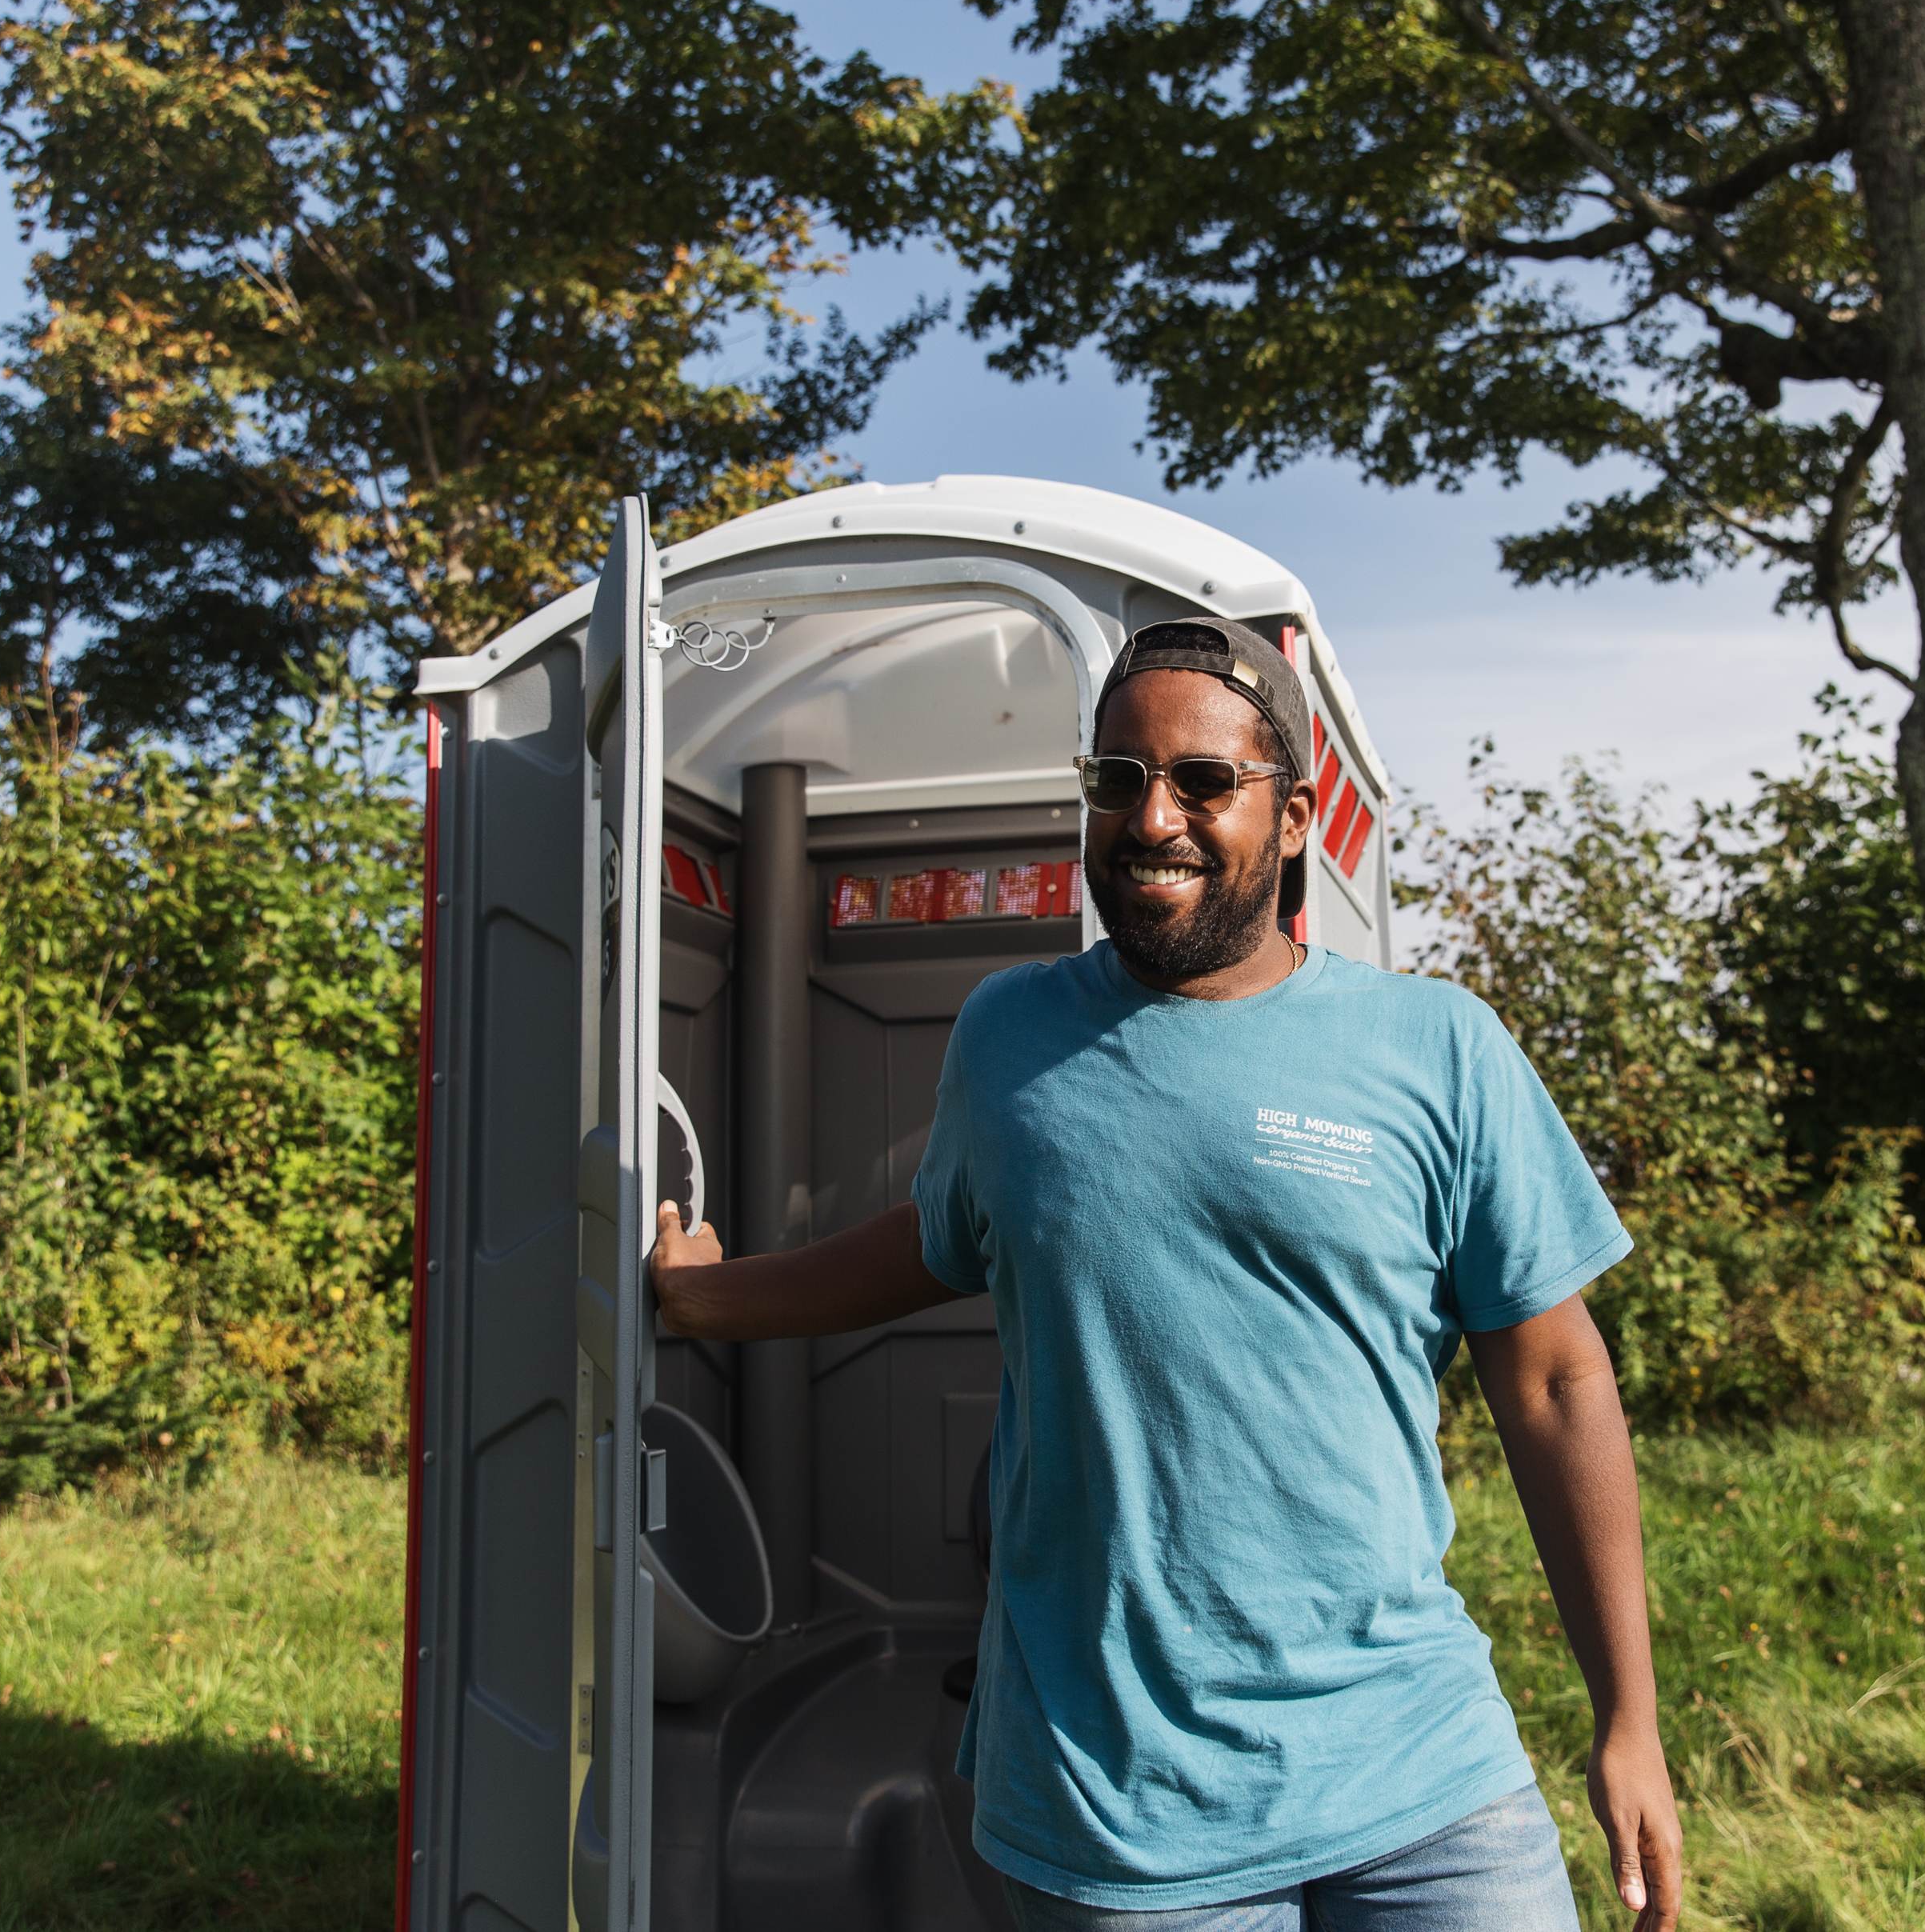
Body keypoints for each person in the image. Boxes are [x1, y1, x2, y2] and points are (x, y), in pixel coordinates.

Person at [650, 618, 1686, 1931]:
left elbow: (1554, 1382)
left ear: (1295, 817)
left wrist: (1629, 1722)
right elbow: (934, 1242)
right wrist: (703, 1294)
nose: (1154, 818)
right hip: (1122, 1798)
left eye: (1204, 782)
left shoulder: (1437, 1049)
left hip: (1423, 1771)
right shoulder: (1011, 1033)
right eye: (1118, 779)